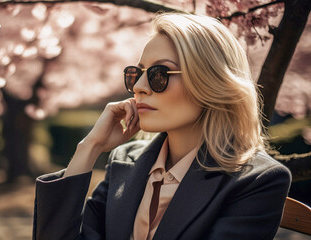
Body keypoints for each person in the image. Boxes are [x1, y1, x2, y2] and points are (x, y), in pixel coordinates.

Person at [33, 13, 291, 240]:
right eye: (137, 73)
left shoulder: (258, 181)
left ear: (211, 82)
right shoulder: (124, 161)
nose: (138, 87)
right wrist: (89, 147)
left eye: (160, 74)